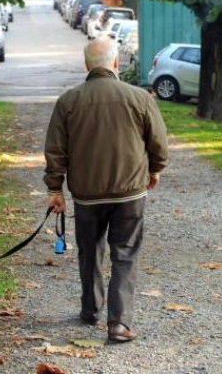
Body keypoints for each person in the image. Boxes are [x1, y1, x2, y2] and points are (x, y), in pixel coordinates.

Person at [43, 36, 169, 342]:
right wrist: (154, 170)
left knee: (89, 251)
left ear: (87, 65)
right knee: (125, 254)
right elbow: (159, 144)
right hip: (130, 194)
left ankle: (90, 309)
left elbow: (55, 150)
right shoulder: (139, 98)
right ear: (116, 64)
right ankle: (119, 324)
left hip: (87, 195)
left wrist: (55, 188)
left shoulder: (69, 101)